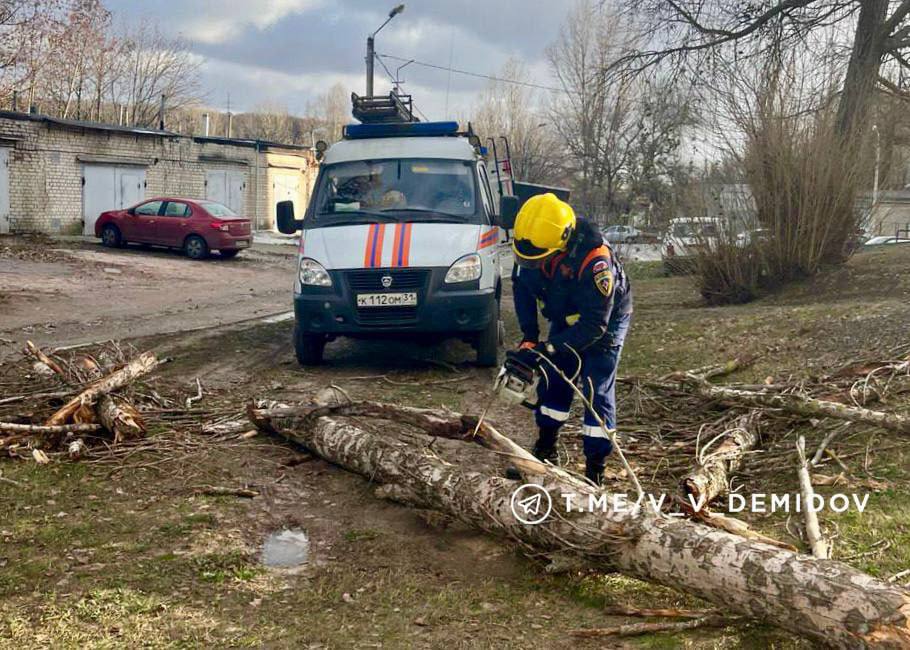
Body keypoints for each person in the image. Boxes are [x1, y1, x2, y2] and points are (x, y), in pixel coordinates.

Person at [505, 193, 633, 485]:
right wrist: (529, 338)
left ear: (562, 244)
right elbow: (522, 288)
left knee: (594, 386)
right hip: (567, 316)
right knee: (554, 378)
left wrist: (548, 348)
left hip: (604, 321)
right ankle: (545, 451)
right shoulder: (532, 248)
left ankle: (594, 470)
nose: (529, 264)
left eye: (536, 260)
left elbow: (593, 325)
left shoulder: (596, 263)